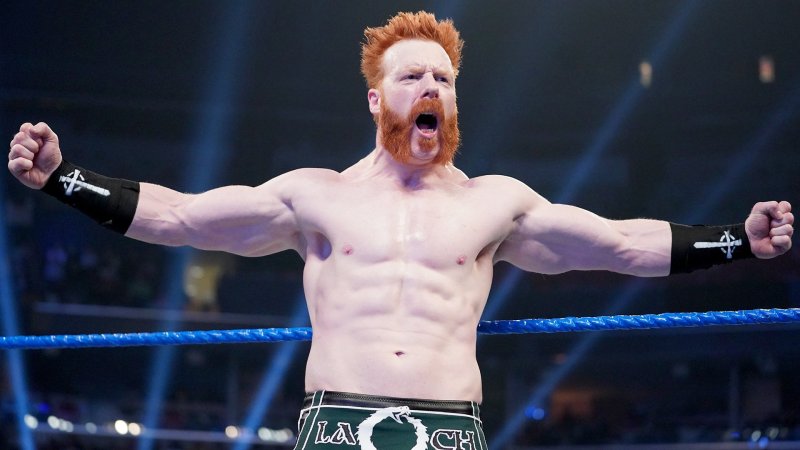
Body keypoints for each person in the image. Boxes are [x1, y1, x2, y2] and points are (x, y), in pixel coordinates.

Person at [7, 11, 794, 450]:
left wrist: (737, 240)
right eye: (412, 76)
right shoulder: (313, 196)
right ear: (376, 100)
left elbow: (621, 245)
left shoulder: (497, 203)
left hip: (451, 429)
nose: (431, 88)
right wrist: (62, 179)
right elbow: (180, 217)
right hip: (336, 424)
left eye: (443, 79)